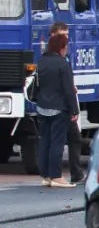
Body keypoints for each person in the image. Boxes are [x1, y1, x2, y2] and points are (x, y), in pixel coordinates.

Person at [32, 32, 80, 188]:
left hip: (42, 107)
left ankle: (45, 176)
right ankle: (57, 177)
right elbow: (68, 90)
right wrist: (74, 110)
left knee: (45, 141)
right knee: (57, 143)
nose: (66, 49)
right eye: (65, 46)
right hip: (59, 108)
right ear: (61, 47)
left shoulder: (41, 61)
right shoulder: (63, 64)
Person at [46, 22, 84, 183]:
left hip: (54, 103)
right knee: (71, 138)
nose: (66, 38)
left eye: (67, 34)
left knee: (62, 138)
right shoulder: (57, 57)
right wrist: (73, 109)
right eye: (63, 35)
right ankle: (66, 174)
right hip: (61, 104)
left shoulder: (58, 55)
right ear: (53, 35)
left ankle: (50, 175)